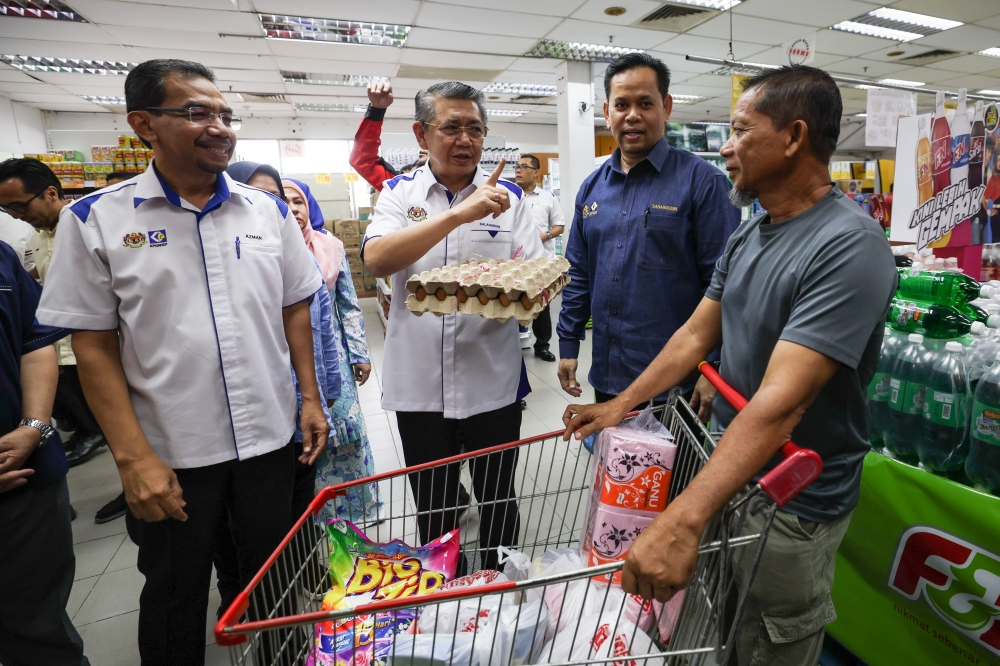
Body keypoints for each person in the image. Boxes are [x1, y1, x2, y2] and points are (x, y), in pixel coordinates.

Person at [562, 65, 897, 666]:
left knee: (769, 640)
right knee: (711, 626)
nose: (726, 147)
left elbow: (782, 403)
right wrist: (622, 402)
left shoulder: (849, 244)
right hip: (729, 474)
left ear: (793, 137)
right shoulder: (752, 234)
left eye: (741, 131)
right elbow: (694, 334)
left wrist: (681, 520)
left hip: (794, 500)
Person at [35, 58, 329, 666]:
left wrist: (308, 397)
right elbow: (92, 346)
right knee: (175, 592)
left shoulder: (265, 212)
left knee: (274, 580)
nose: (220, 126)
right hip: (171, 451)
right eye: (197, 112)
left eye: (226, 114)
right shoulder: (96, 220)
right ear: (143, 123)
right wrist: (132, 459)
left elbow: (294, 306)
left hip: (268, 441)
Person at [363, 81, 545, 572]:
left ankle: (499, 588)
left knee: (498, 499)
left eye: (475, 129)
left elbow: (534, 272)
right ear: (422, 134)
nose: (465, 139)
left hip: (493, 383)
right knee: (436, 505)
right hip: (420, 388)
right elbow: (377, 260)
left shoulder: (510, 198)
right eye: (451, 127)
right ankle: (449, 593)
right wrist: (457, 216)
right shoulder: (398, 194)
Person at [556, 53, 740, 421]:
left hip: (679, 383)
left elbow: (726, 287)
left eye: (645, 103)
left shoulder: (704, 183)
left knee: (679, 480)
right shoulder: (592, 189)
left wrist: (715, 366)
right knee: (619, 475)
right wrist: (568, 341)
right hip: (609, 375)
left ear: (666, 107)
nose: (632, 115)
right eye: (622, 105)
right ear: (607, 111)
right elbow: (578, 272)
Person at [0, 241, 87, 666]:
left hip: (26, 473)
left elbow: (33, 341)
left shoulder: (2, 257)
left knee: (41, 626)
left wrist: (34, 425)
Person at [283, 178, 382, 525]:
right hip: (285, 363)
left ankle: (354, 513)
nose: (293, 209)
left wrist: (359, 353)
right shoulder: (264, 250)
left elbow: (349, 306)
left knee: (345, 432)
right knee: (304, 439)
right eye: (283, 202)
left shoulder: (330, 247)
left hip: (333, 358)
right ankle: (311, 518)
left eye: (298, 202)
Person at [0, 159, 109, 468]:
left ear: (50, 193)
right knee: (77, 402)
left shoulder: (89, 227)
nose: (17, 216)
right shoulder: (37, 236)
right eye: (8, 209)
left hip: (96, 342)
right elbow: (40, 274)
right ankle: (89, 434)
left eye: (20, 205)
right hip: (58, 343)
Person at [514, 153, 564, 362]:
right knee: (513, 303)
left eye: (524, 167)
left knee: (541, 305)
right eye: (517, 166)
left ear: (536, 172)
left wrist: (546, 235)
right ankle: (512, 346)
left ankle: (542, 345)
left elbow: (560, 225)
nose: (518, 170)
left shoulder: (547, 197)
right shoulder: (510, 195)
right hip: (514, 262)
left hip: (541, 261)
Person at [350, 81, 427, 192]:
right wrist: (376, 111)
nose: (423, 147)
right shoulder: (402, 186)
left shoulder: (460, 182)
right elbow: (363, 160)